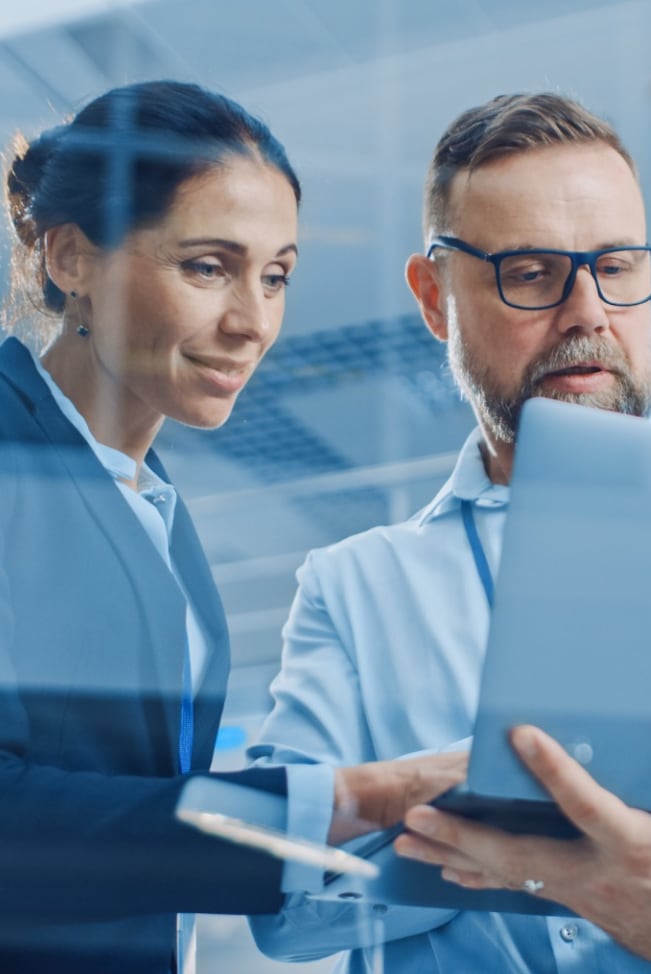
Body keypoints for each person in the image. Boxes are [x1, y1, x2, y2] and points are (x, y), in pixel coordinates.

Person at [248, 90, 651, 974]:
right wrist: (502, 823)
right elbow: (277, 905)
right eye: (531, 272)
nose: (588, 311)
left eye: (618, 266)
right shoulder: (356, 588)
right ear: (436, 297)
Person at [0, 79, 464, 974]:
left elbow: (133, 818)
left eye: (277, 275)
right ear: (70, 259)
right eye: (207, 267)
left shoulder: (155, 511)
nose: (252, 321)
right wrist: (358, 797)